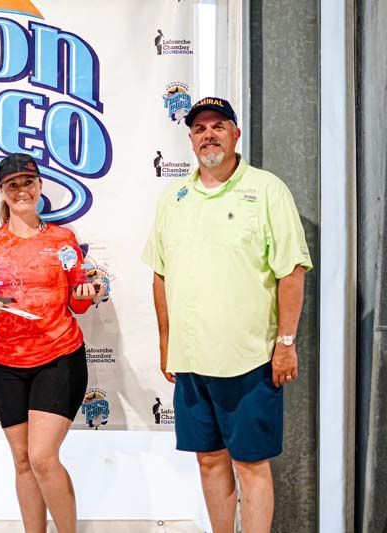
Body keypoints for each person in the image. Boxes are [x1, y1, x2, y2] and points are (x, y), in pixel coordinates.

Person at [142, 97, 312, 533]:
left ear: (236, 134)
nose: (209, 135)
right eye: (200, 129)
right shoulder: (174, 199)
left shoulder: (267, 190)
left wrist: (286, 345)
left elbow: (291, 271)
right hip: (192, 360)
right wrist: (166, 344)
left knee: (251, 465)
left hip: (250, 359)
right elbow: (160, 276)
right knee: (209, 460)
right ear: (191, 139)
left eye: (219, 126)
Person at [0, 153, 105, 533]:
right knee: (22, 461)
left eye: (28, 182)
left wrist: (88, 291)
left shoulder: (62, 240)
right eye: (13, 185)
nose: (21, 190)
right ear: (2, 192)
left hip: (58, 358)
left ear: (40, 187)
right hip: (5, 365)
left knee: (42, 457)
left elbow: (78, 302)